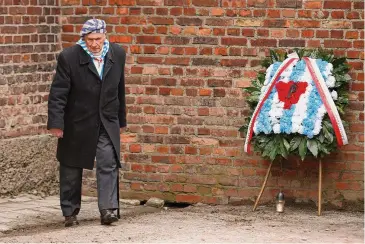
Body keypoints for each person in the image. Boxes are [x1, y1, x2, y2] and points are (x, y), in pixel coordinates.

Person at [47, 18, 127, 227]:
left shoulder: (117, 54)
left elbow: (120, 89)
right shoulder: (69, 57)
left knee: (108, 161)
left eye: (98, 38)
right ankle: (70, 212)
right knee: (71, 166)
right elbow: (58, 93)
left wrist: (121, 119)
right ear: (83, 38)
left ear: (105, 36)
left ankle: (108, 210)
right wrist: (57, 123)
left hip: (106, 119)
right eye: (89, 39)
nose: (94, 43)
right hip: (77, 120)